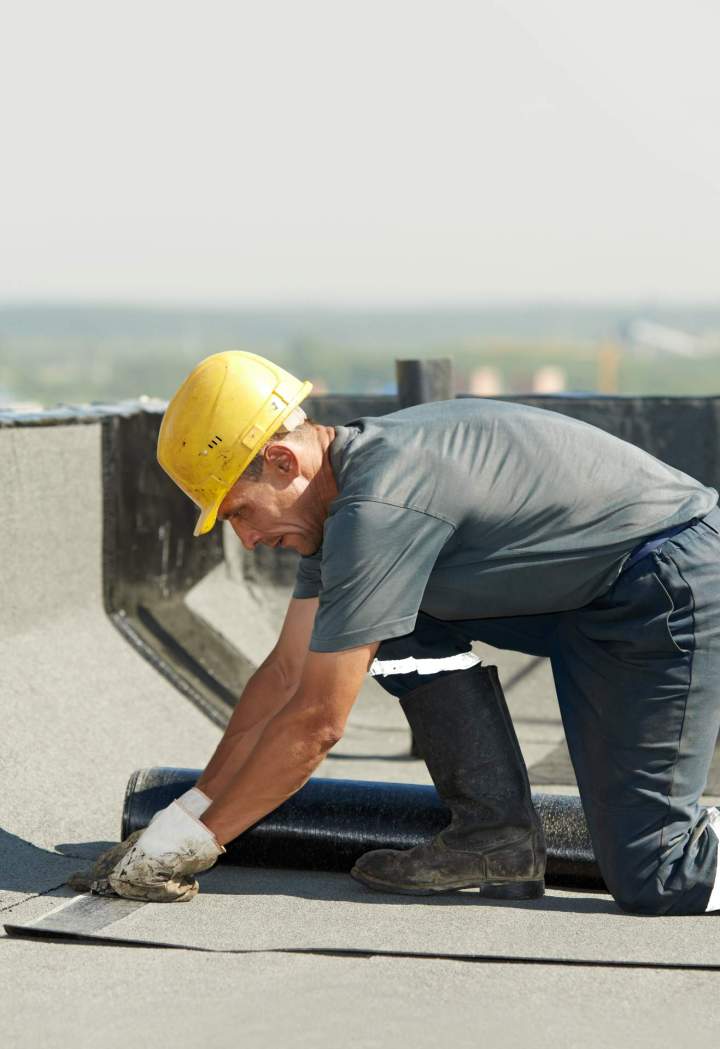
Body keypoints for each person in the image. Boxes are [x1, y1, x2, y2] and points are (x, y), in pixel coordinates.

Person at [80, 350, 720, 915]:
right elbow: (285, 675)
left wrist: (194, 847)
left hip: (665, 588)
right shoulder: (336, 509)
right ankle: (493, 837)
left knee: (659, 876)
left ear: (281, 460)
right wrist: (185, 813)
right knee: (390, 623)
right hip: (585, 596)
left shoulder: (377, 508)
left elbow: (315, 723)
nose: (246, 539)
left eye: (240, 512)